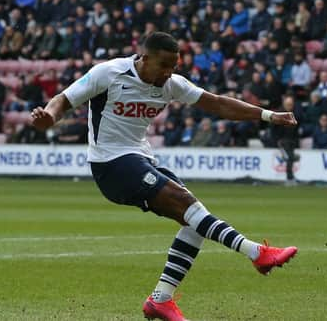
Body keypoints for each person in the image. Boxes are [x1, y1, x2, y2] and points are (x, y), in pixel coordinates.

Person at [31, 32, 298, 321]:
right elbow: (63, 99)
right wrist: (50, 116)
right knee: (186, 203)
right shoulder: (108, 73)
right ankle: (256, 252)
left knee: (195, 220)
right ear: (144, 59)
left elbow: (218, 103)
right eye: (164, 65)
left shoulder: (171, 84)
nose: (169, 72)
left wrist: (269, 116)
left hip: (141, 158)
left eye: (175, 65)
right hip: (110, 164)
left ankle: (161, 299)